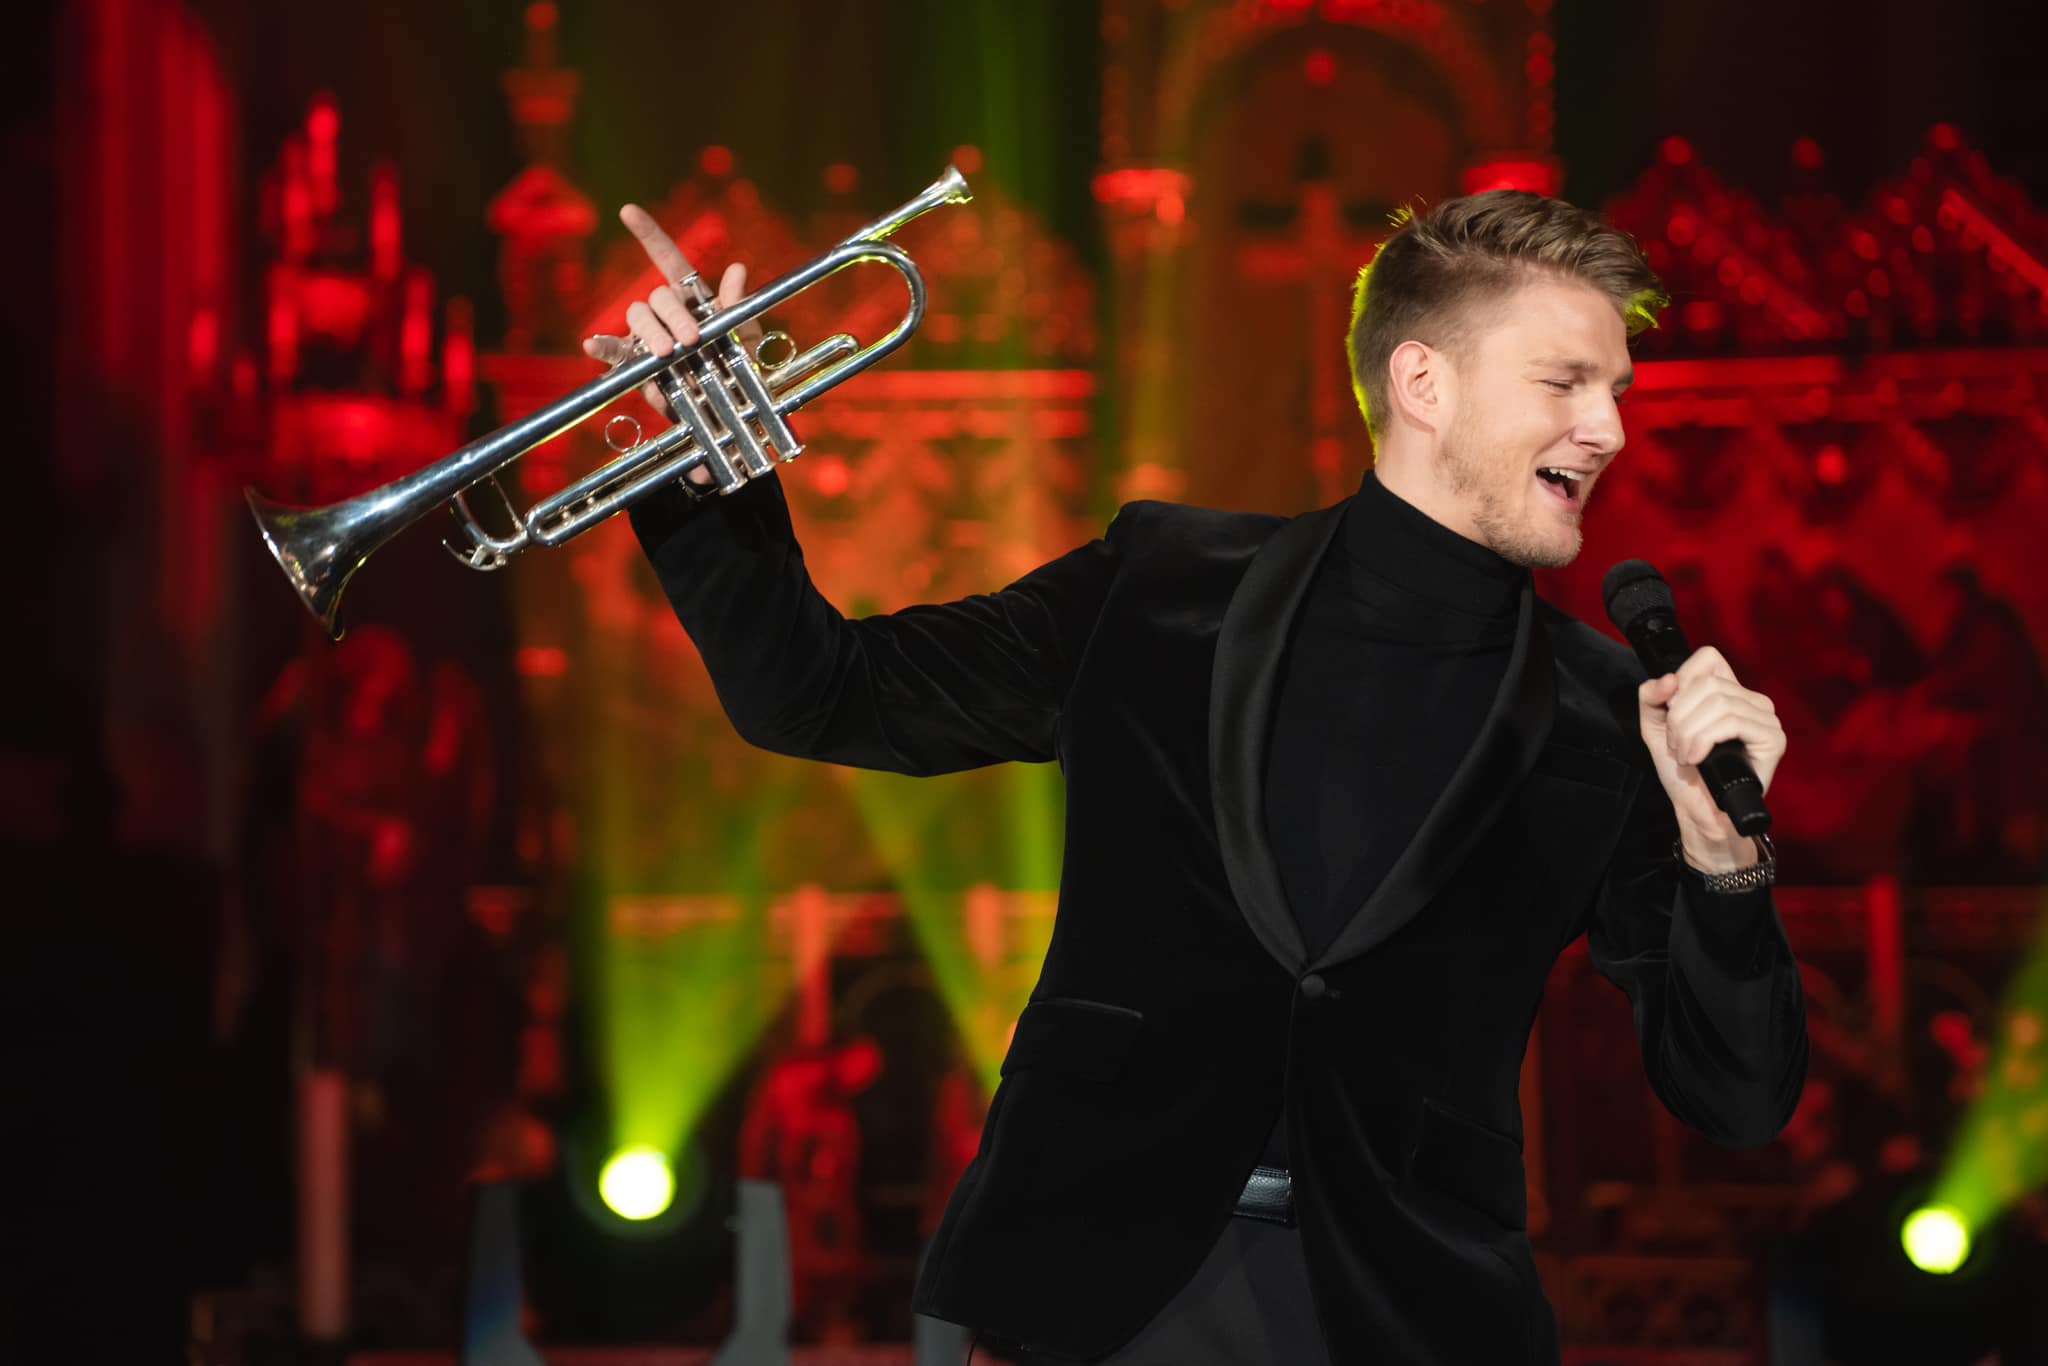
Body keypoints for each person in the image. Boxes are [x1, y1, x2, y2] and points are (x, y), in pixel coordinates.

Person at [584, 189, 1809, 1365]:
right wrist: (705, 465)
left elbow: (1738, 1099)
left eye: (1613, 390)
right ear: (1421, 382)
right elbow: (820, 691)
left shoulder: (1605, 713)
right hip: (1103, 1300)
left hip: (1409, 1316)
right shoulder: (1161, 587)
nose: (1608, 428)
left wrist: (1724, 865)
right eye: (1564, 382)